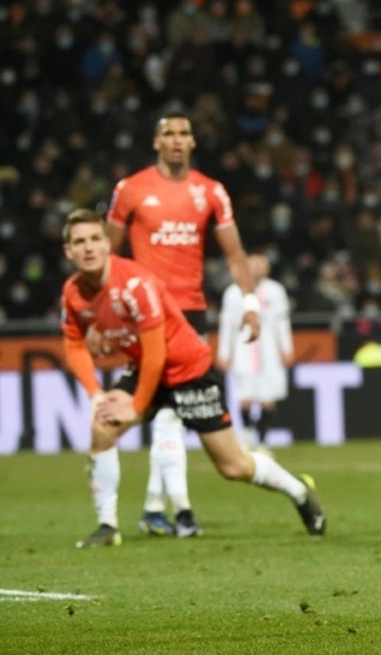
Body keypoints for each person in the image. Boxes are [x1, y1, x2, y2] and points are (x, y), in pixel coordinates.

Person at [59, 209, 325, 548]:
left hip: (188, 370)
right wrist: (96, 393)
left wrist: (136, 406)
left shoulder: (134, 284)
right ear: (68, 251)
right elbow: (74, 341)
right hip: (146, 368)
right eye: (79, 241)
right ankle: (108, 526)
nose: (88, 247)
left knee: (234, 467)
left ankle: (299, 491)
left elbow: (157, 353)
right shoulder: (73, 292)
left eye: (96, 238)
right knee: (102, 428)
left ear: (107, 243)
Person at [105, 111, 262, 538]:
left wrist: (250, 301)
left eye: (184, 133)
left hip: (190, 315)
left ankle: (159, 509)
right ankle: (164, 510)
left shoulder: (210, 191)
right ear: (156, 142)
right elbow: (109, 255)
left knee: (170, 415)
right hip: (145, 314)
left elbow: (234, 254)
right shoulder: (130, 189)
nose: (177, 140)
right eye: (168, 133)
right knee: (160, 415)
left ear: (193, 142)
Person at [216, 253, 294, 451]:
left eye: (261, 264)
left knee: (268, 399)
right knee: (245, 398)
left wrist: (287, 349)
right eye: (254, 264)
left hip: (269, 352)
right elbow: (228, 326)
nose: (258, 268)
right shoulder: (233, 293)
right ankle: (248, 433)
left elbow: (282, 323)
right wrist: (224, 353)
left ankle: (262, 440)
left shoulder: (276, 291)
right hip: (244, 349)